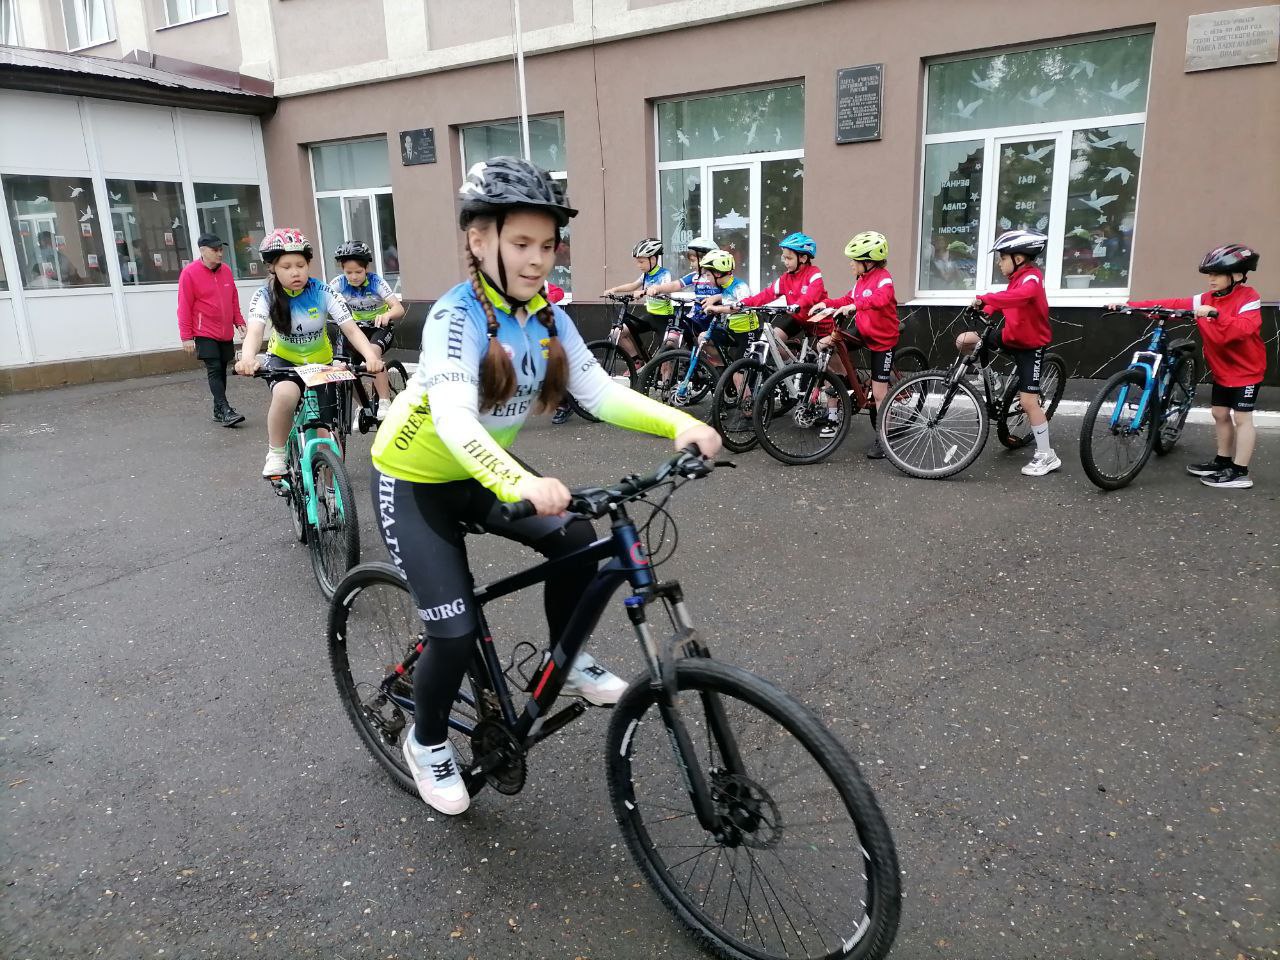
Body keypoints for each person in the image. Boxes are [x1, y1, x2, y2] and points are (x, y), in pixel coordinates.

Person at [368, 157, 721, 815]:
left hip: (480, 472)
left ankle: (568, 658)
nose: (538, 260)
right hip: (416, 481)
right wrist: (515, 481)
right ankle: (427, 740)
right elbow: (454, 420)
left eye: (548, 244)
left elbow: (600, 393)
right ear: (480, 241)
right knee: (452, 632)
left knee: (578, 538)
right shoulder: (453, 318)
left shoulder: (548, 315)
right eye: (522, 243)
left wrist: (681, 424)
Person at [233, 228, 385, 477]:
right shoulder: (265, 295)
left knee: (328, 437)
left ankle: (333, 491)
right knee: (286, 394)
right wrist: (248, 358)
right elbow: (255, 331)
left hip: (321, 364)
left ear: (308, 265)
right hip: (284, 361)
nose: (295, 272)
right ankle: (276, 453)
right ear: (272, 268)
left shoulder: (323, 291)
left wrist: (370, 356)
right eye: (286, 266)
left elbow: (351, 329)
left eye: (301, 265)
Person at [1115, 243, 1264, 489]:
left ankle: (1240, 472)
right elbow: (1174, 303)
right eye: (1209, 274)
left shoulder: (1249, 298)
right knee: (1219, 414)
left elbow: (1245, 329)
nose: (1211, 279)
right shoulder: (1205, 299)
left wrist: (1216, 314)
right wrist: (1132, 305)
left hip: (1247, 370)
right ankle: (1222, 461)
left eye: (1217, 274)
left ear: (1237, 275)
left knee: (1242, 417)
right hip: (1222, 369)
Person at [956, 230, 1060, 477]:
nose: (999, 263)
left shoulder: (1031, 278)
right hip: (1010, 337)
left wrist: (985, 298)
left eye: (1002, 258)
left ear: (1019, 258)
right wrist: (986, 310)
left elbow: (1018, 297)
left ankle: (1047, 456)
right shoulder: (1016, 278)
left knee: (1028, 402)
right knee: (965, 341)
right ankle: (991, 379)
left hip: (1030, 346)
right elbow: (1004, 299)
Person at [808, 231, 900, 455]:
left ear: (869, 261)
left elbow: (881, 298)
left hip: (882, 338)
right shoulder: (862, 279)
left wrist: (856, 306)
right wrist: (826, 303)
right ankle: (844, 381)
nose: (851, 264)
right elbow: (849, 298)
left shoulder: (884, 278)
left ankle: (884, 440)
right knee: (826, 345)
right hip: (863, 330)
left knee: (879, 394)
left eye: (855, 260)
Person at [329, 240, 405, 421]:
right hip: (357, 329)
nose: (354, 277)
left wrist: (387, 315)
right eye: (349, 273)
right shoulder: (338, 283)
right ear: (342, 270)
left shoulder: (376, 282)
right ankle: (362, 405)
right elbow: (322, 302)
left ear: (366, 268)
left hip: (380, 328)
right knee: (344, 366)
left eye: (358, 272)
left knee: (372, 353)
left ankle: (385, 401)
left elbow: (399, 308)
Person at [178, 232, 247, 426]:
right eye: (215, 250)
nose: (220, 254)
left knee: (222, 367)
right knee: (214, 368)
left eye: (221, 249)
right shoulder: (190, 273)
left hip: (224, 330)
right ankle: (225, 409)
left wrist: (239, 322)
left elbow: (233, 298)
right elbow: (184, 306)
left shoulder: (226, 271)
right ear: (202, 251)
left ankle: (218, 409)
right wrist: (186, 336)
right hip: (204, 331)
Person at [726, 232, 827, 352]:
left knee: (826, 351)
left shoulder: (814, 273)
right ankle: (789, 364)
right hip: (798, 319)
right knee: (772, 340)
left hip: (818, 319)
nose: (785, 262)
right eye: (784, 258)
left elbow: (811, 296)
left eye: (789, 258)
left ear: (803, 259)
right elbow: (766, 295)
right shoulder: (785, 278)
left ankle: (837, 365)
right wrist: (744, 303)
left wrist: (797, 305)